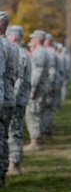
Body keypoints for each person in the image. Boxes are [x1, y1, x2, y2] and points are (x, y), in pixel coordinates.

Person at [6, 25, 31, 175]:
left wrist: (12, 100)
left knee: (14, 131)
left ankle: (14, 164)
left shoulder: (20, 54)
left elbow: (19, 81)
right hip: (17, 99)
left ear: (13, 37)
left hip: (16, 101)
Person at [0, 11, 19, 188]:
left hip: (2, 97)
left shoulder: (2, 46)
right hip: (8, 96)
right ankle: (3, 173)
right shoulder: (13, 47)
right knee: (3, 138)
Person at [24, 30, 49, 151]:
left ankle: (35, 142)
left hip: (37, 88)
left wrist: (32, 88)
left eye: (33, 38)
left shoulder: (39, 52)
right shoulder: (43, 51)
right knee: (37, 113)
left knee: (33, 114)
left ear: (38, 39)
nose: (31, 40)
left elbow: (37, 73)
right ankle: (36, 139)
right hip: (41, 87)